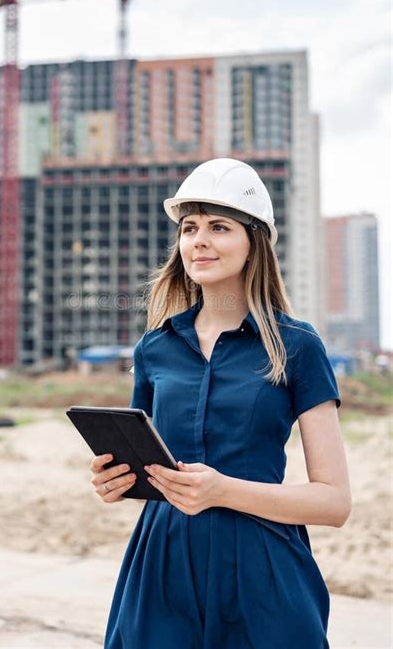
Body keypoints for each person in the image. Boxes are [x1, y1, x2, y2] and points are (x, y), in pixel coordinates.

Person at [89, 158, 352, 648]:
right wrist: (117, 481)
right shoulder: (154, 348)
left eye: (219, 226)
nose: (199, 239)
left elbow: (334, 503)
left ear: (254, 243)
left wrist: (222, 490)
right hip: (161, 568)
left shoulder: (297, 346)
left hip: (262, 572)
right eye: (189, 228)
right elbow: (151, 467)